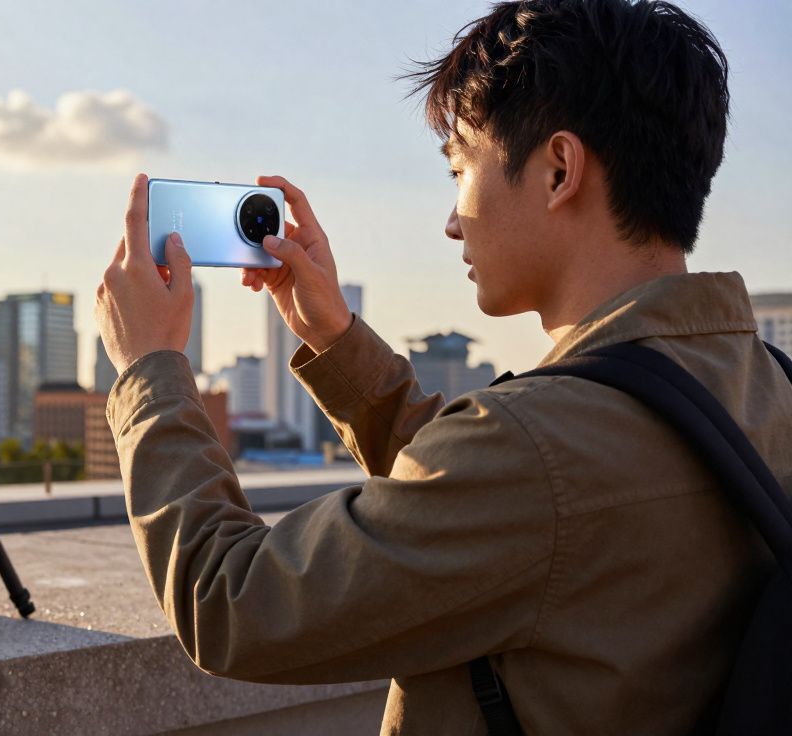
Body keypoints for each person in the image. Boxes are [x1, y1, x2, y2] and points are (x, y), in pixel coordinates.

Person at [93, 0, 792, 733]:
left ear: (559, 170)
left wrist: (150, 369)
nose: (452, 219)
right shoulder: (767, 383)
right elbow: (508, 507)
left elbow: (230, 603)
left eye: (461, 168)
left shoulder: (538, 450)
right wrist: (336, 342)